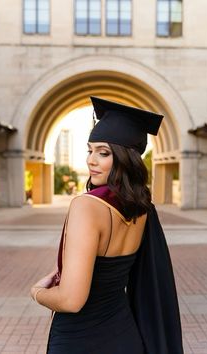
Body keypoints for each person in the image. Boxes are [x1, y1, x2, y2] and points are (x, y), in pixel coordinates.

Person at [30, 97, 184, 354]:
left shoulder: (87, 206)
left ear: (125, 159)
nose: (91, 160)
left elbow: (71, 300)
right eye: (89, 150)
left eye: (103, 153)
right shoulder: (141, 207)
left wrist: (36, 292)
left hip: (81, 340)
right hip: (125, 336)